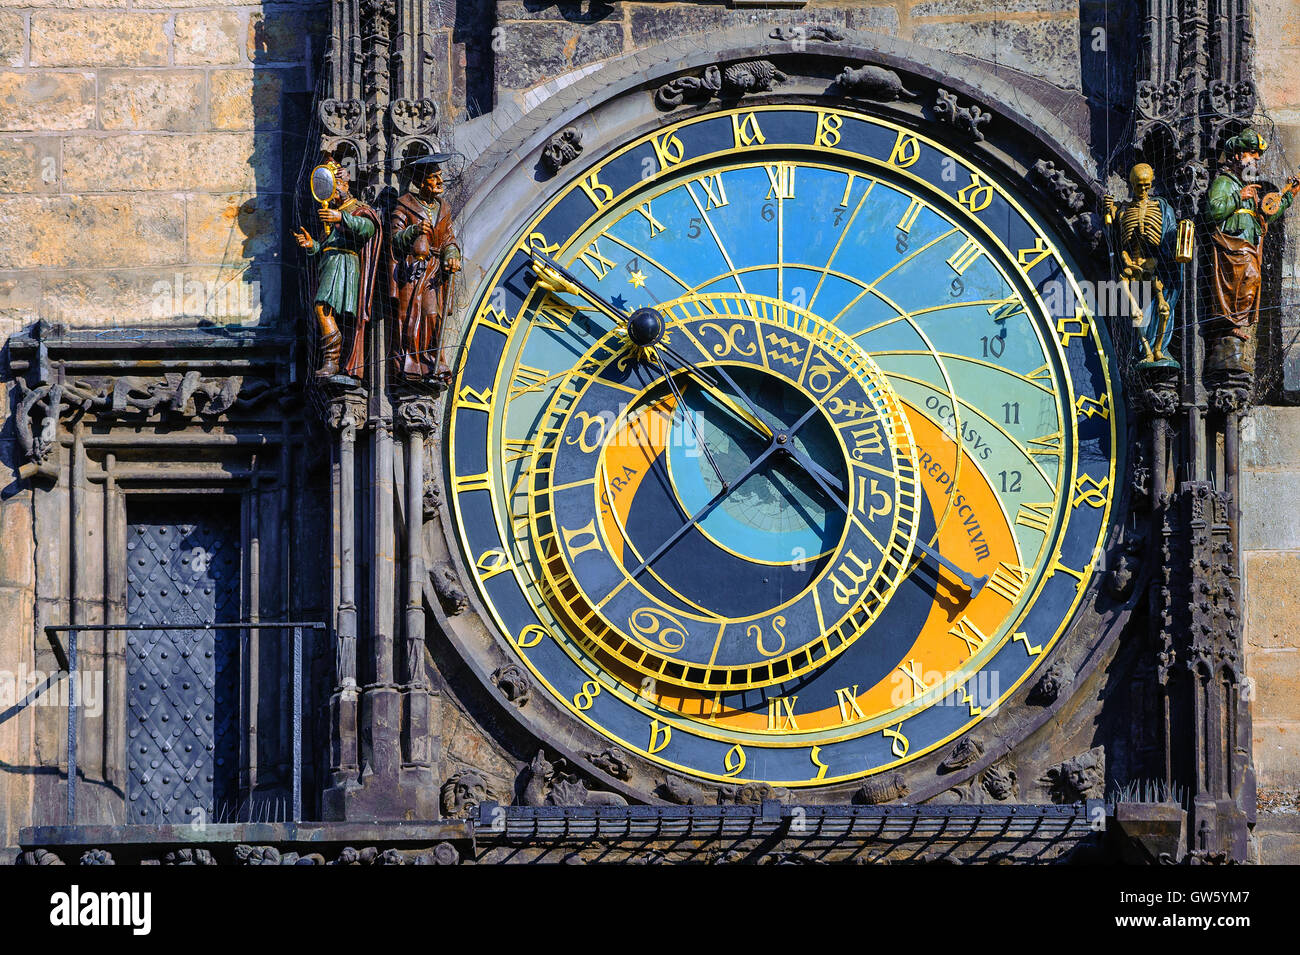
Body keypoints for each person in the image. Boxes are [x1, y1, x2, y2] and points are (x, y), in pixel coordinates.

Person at [1205, 128, 1299, 374]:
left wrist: (1288, 196)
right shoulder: (1225, 182)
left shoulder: (1252, 188)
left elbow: (1265, 216)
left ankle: (1236, 323)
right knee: (1246, 278)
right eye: (1252, 155)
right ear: (1237, 156)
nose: (1256, 160)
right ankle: (1229, 325)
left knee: (1252, 280)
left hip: (1248, 245)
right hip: (1231, 245)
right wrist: (1238, 196)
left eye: (1258, 156)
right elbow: (1212, 212)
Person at [294, 161, 383, 378]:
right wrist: (312, 245)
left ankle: (332, 362)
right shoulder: (332, 212)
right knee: (328, 312)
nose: (332, 193)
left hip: (344, 265)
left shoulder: (358, 209)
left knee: (322, 308)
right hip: (330, 263)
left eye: (335, 186)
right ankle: (334, 362)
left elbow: (369, 228)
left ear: (344, 185)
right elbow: (326, 247)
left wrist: (341, 217)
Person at [389, 154, 462, 382]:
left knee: (432, 315)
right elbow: (395, 239)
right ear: (421, 183)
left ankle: (433, 360)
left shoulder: (443, 208)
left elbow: (449, 239)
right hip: (413, 270)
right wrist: (414, 230)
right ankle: (409, 361)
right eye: (434, 178)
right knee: (410, 317)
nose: (440, 182)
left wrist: (451, 255)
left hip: (434, 271)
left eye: (440, 176)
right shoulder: (405, 205)